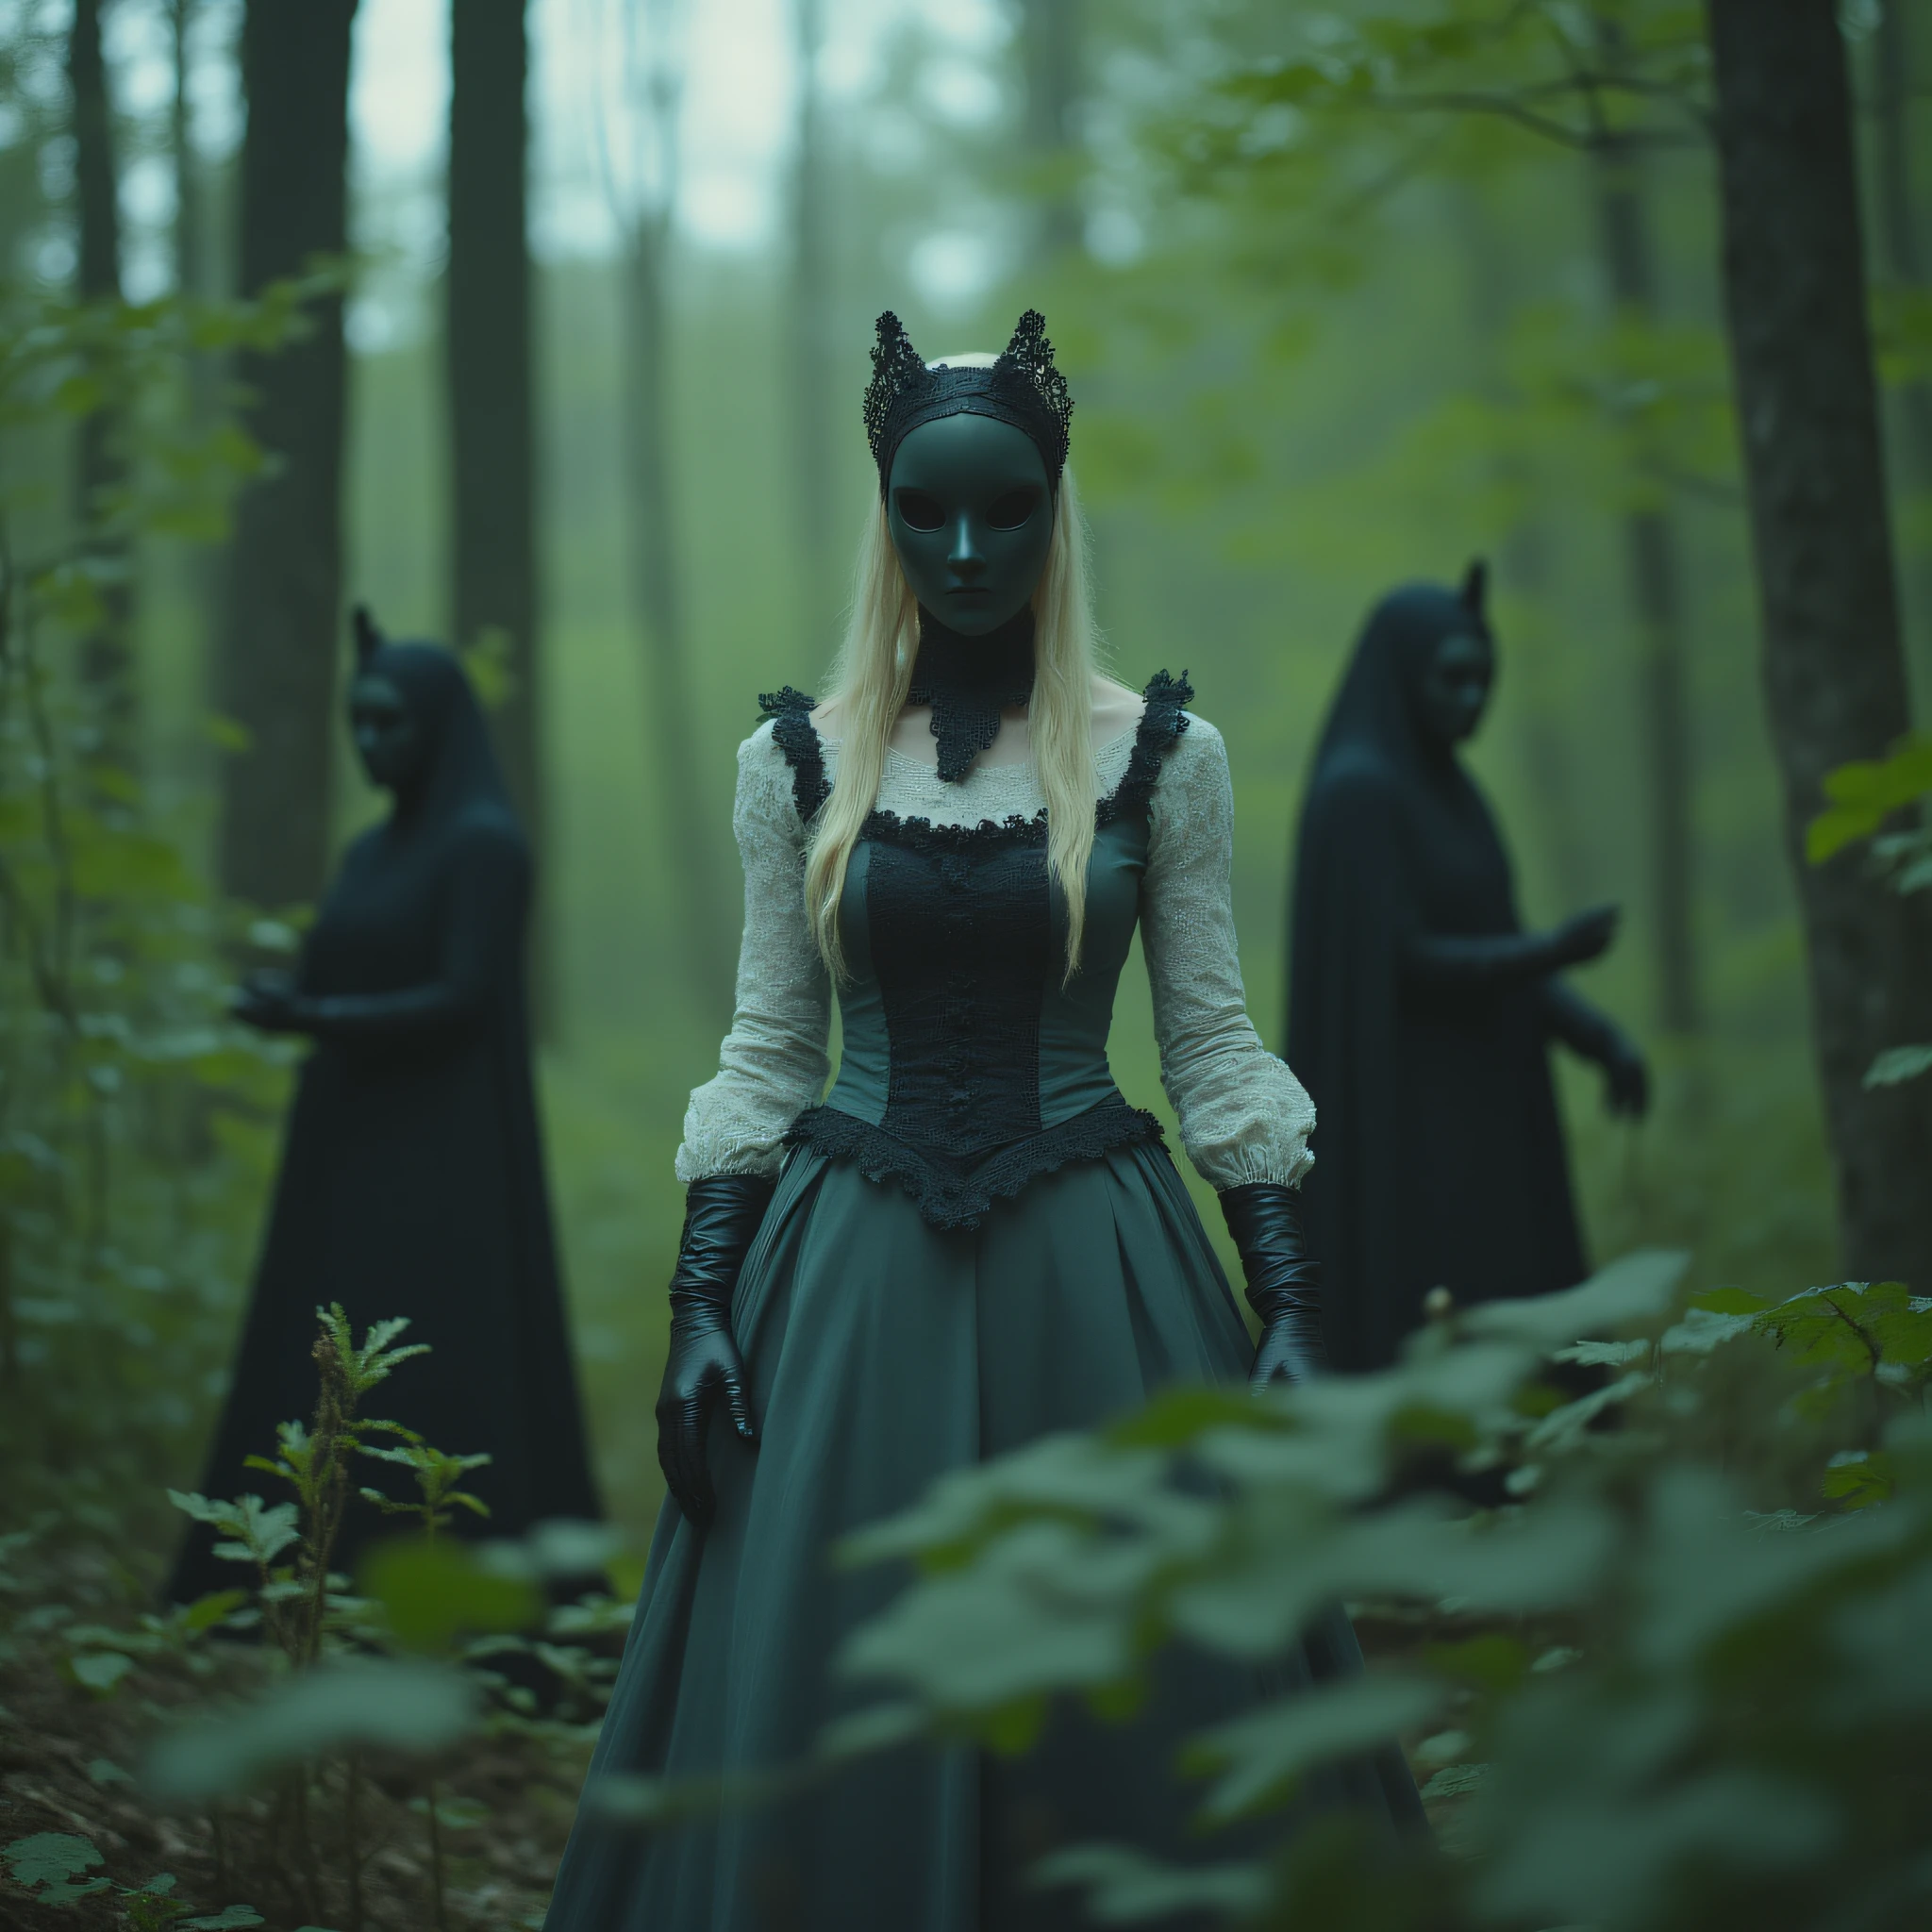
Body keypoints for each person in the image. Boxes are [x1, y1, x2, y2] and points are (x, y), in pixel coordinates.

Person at [543, 311, 1418, 1931]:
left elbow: (1212, 1041)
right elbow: (764, 1048)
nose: (960, 545)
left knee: (1142, 1692)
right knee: (831, 1661)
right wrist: (695, 1303)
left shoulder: (1162, 757)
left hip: (1099, 1279)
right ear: (879, 511)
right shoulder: (793, 762)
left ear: (1052, 505)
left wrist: (1289, 1296)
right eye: (922, 509)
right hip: (841, 1291)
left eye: (1002, 508)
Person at [169, 613, 600, 1606]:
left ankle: (450, 1591)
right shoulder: (370, 852)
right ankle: (302, 1575)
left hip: (444, 1158)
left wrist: (314, 1012)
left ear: (438, 727)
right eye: (357, 722)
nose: (369, 744)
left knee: (438, 1355)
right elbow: (351, 962)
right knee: (320, 1345)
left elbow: (459, 996)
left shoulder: (484, 847)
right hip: (346, 1144)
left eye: (390, 724)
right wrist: (292, 999)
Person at [1286, 567, 1649, 1374]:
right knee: (1448, 1321)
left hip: (1493, 1116)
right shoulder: (1361, 794)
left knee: (1514, 1308)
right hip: (1415, 1133)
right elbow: (1402, 961)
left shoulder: (1451, 791)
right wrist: (1551, 950)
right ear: (1404, 673)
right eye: (1454, 676)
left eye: (1485, 677)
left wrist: (1599, 1038)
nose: (1474, 698)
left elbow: (1497, 942)